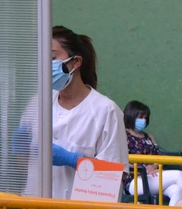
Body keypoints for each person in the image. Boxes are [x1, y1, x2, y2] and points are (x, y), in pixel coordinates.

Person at [46, 25, 128, 199]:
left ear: (76, 62)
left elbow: (114, 177)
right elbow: (23, 168)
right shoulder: (38, 104)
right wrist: (19, 150)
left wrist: (75, 160)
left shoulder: (105, 111)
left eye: (52, 57)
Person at [122, 100, 182, 209]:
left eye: (145, 118)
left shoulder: (149, 137)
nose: (142, 120)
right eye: (139, 117)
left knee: (177, 190)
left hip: (154, 177)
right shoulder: (123, 136)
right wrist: (143, 168)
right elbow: (121, 159)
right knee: (178, 175)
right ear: (131, 116)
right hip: (135, 181)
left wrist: (153, 166)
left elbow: (159, 157)